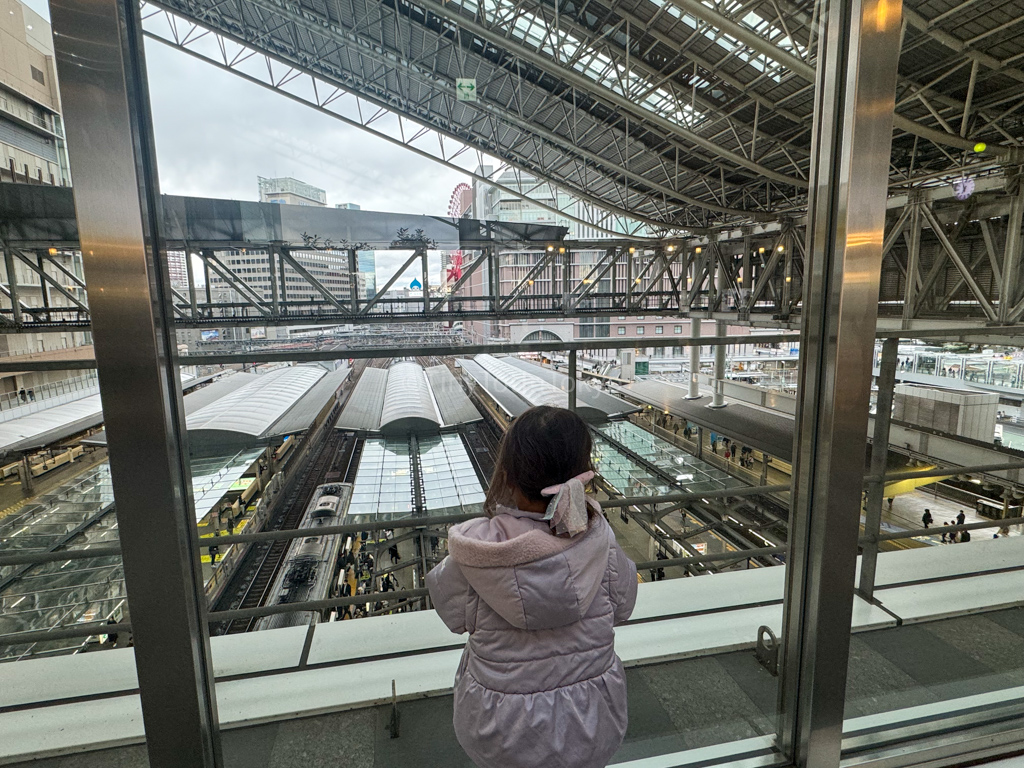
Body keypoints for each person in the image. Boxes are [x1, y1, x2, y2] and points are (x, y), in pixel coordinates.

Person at [426, 406, 636, 768]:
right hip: (592, 721)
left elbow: (451, 614)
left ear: (507, 475)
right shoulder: (602, 543)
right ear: (581, 473)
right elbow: (625, 606)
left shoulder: (477, 552)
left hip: (499, 729)